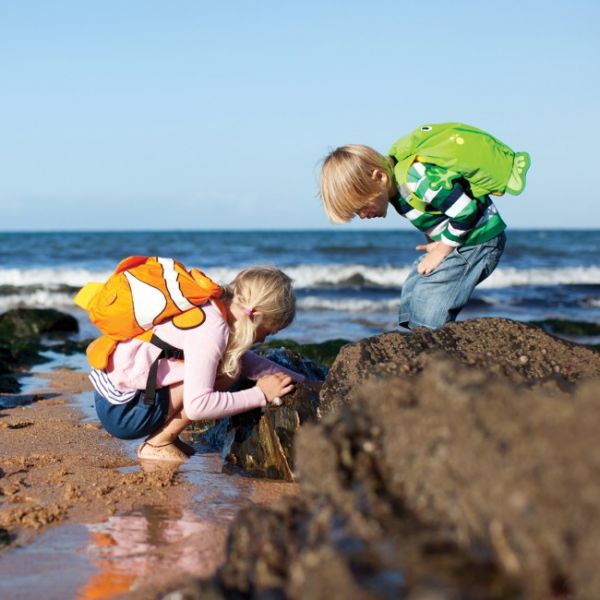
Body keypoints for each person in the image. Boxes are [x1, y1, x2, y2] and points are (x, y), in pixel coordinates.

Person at [90, 265, 314, 462]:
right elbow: (198, 406)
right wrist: (260, 395)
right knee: (228, 371)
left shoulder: (214, 306)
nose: (264, 339)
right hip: (123, 413)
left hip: (115, 397)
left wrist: (305, 382)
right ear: (255, 314)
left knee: (230, 363)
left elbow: (250, 362)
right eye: (267, 331)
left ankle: (165, 437)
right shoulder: (211, 331)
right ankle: (158, 442)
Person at [319, 122, 530, 330]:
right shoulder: (395, 193)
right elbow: (433, 216)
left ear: (379, 177)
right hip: (462, 240)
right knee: (415, 284)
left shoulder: (416, 178)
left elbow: (466, 211)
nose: (363, 216)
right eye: (357, 214)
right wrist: (436, 243)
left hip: (480, 239)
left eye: (362, 207)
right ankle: (417, 333)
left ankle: (430, 336)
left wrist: (441, 250)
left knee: (430, 293)